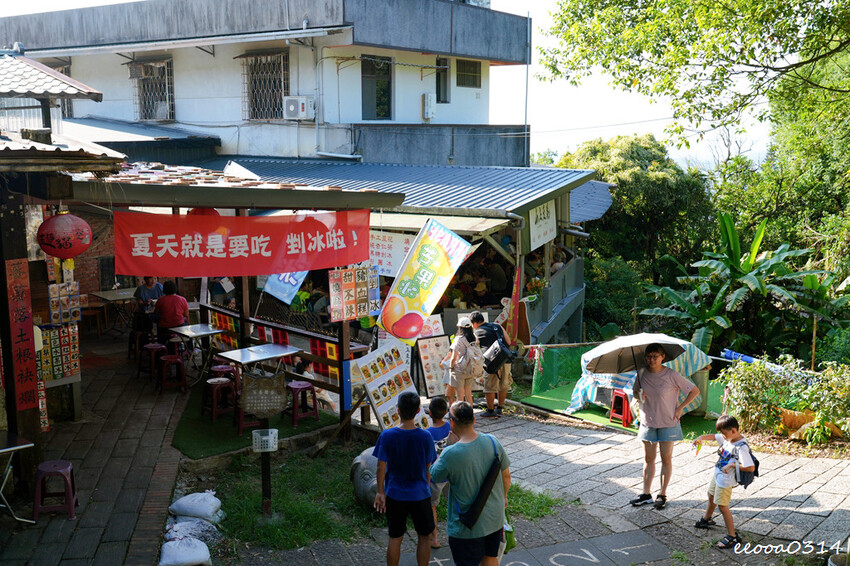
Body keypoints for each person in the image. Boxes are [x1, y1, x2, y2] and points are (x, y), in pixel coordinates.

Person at [430, 401, 511, 566]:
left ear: (451, 422)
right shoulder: (493, 442)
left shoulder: (450, 453)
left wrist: (447, 447)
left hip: (466, 525)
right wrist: (504, 496)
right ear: (474, 420)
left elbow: (435, 476)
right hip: (494, 518)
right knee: (490, 557)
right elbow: (506, 476)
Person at [630, 343, 700, 510]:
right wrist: (639, 395)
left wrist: (680, 408)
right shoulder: (641, 373)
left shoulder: (672, 375)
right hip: (648, 422)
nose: (652, 359)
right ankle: (646, 494)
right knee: (648, 459)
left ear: (663, 357)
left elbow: (694, 390)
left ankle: (662, 494)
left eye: (655, 356)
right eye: (649, 356)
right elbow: (635, 392)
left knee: (666, 458)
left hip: (668, 422)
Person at [373, 392, 437, 566]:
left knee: (395, 537)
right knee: (424, 536)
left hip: (395, 494)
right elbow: (428, 468)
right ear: (418, 411)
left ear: (398, 411)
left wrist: (380, 492)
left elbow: (381, 466)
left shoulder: (387, 436)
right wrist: (428, 487)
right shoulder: (425, 437)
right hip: (420, 494)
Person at [693, 415, 755, 549]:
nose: (722, 436)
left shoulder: (741, 447)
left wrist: (733, 466)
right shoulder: (729, 439)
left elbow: (750, 467)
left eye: (724, 433)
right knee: (710, 495)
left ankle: (732, 536)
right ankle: (707, 519)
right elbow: (714, 436)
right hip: (718, 476)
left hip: (726, 481)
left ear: (733, 430)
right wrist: (701, 438)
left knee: (722, 506)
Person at [470, 311, 512, 418]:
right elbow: (509, 341)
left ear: (474, 323)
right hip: (506, 359)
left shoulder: (477, 331)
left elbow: (474, 346)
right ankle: (500, 408)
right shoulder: (497, 326)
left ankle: (490, 410)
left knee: (490, 387)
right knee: (503, 385)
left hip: (492, 363)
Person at [426, 397, 454, 549]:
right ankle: (455, 536)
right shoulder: (450, 426)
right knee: (454, 504)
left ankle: (434, 539)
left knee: (432, 506)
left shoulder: (427, 433)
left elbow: (427, 459)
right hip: (452, 471)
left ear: (429, 413)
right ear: (446, 412)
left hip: (435, 474)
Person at [448, 317, 478, 405]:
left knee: (460, 395)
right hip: (470, 368)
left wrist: (451, 367)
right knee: (468, 394)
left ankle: (460, 416)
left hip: (459, 370)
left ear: (460, 327)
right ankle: (470, 414)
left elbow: (453, 357)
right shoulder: (474, 338)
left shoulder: (458, 339)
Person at [153, 280, 189, 345]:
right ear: (175, 289)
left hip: (164, 328)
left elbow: (156, 312)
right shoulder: (182, 299)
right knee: (188, 330)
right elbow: (186, 314)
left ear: (164, 290)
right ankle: (190, 348)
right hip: (179, 326)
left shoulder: (160, 300)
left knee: (158, 321)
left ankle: (160, 346)